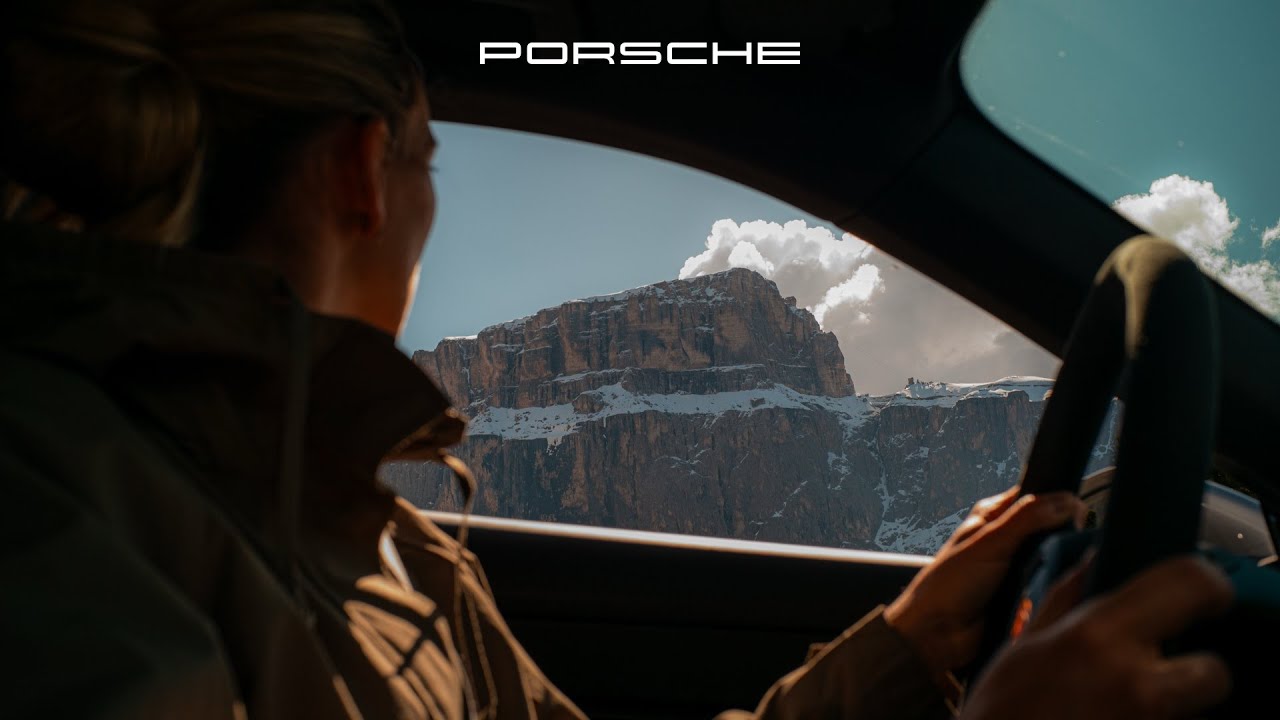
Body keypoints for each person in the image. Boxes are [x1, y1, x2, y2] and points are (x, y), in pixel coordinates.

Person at [0, 1, 1233, 718]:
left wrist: (904, 646)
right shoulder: (51, 499)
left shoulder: (379, 540)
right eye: (432, 158)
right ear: (362, 173)